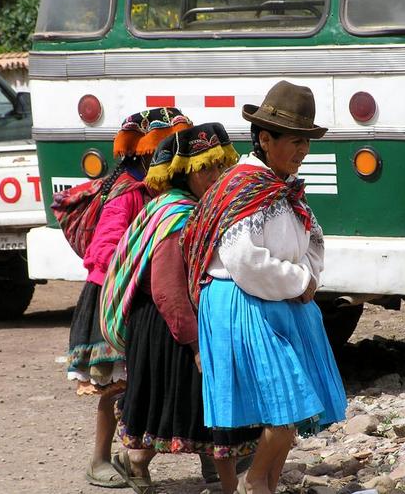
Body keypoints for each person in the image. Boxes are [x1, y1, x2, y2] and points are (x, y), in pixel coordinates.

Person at [182, 81, 348, 494]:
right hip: (246, 303)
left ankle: (265, 485)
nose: (301, 151)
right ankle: (253, 479)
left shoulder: (282, 188)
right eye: (294, 141)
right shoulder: (244, 187)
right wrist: (300, 281)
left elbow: (313, 238)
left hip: (283, 303)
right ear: (264, 138)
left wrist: (308, 276)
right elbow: (243, 260)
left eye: (305, 142)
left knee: (291, 413)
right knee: (286, 410)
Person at [100, 123, 259, 494]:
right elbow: (168, 289)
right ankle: (141, 464)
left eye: (220, 166)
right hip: (167, 324)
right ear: (183, 172)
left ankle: (203, 469)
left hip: (172, 320)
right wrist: (194, 343)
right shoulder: (179, 216)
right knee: (178, 402)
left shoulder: (186, 206)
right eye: (205, 168)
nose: (215, 176)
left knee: (183, 405)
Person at [65, 107, 192, 488]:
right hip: (114, 297)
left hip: (150, 298)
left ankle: (192, 456)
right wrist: (135, 263)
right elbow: (105, 251)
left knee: (165, 377)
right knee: (116, 388)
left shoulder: (168, 192)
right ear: (143, 155)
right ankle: (100, 459)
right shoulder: (127, 196)